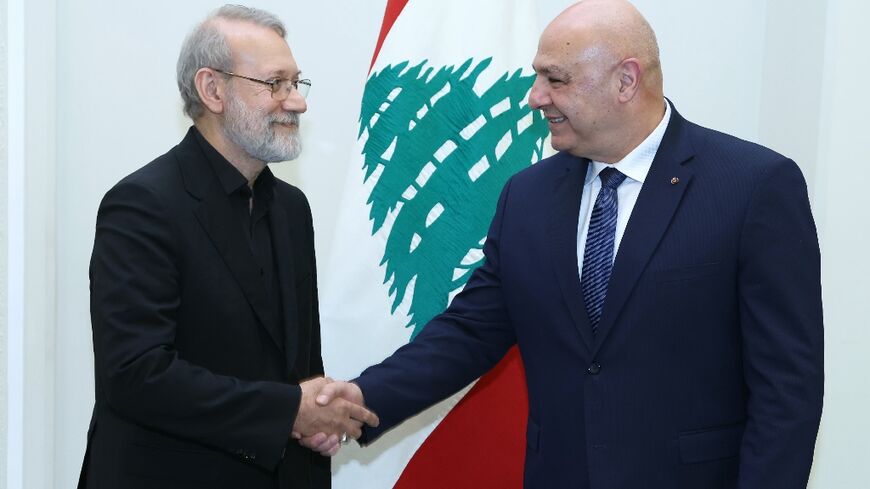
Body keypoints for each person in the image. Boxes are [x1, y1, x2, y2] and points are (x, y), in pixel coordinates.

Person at [309, 0, 824, 487]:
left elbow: (788, 389)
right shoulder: (527, 196)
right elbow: (471, 331)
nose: (534, 96)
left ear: (626, 80)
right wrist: (360, 398)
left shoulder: (751, 185)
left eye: (555, 79)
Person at [78, 5, 378, 488]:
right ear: (212, 90)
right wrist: (288, 413)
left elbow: (299, 367)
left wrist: (317, 416)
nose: (296, 102)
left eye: (296, 84)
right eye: (274, 84)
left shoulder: (292, 209)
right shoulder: (141, 205)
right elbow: (135, 375)